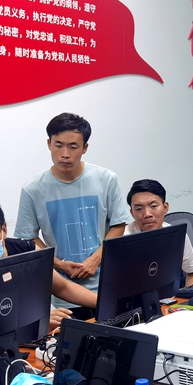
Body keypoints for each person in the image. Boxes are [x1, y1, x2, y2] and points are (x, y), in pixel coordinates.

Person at [15, 113, 130, 319]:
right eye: (58, 145)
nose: (65, 154)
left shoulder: (106, 179)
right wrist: (59, 264)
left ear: (85, 148)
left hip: (108, 283)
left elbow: (118, 225)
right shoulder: (33, 190)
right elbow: (28, 239)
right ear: (49, 144)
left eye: (73, 147)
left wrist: (95, 259)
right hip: (64, 293)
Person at [0, 197, 97, 329]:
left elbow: (62, 287)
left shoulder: (26, 251)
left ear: (4, 229)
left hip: (32, 340)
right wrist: (33, 322)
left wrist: (103, 303)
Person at [124, 179, 193, 285]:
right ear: (132, 213)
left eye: (153, 206)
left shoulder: (177, 236)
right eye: (139, 209)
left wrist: (188, 293)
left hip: (170, 294)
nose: (147, 214)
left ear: (165, 208)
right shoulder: (122, 240)